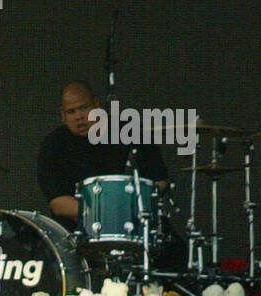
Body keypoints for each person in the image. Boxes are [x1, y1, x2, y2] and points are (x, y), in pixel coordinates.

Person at [37, 81, 168, 233]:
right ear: (63, 114)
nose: (79, 116)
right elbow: (58, 203)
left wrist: (130, 209)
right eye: (71, 112)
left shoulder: (129, 131)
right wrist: (106, 213)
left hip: (135, 228)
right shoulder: (53, 144)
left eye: (84, 108)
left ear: (96, 104)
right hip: (77, 233)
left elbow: (160, 182)